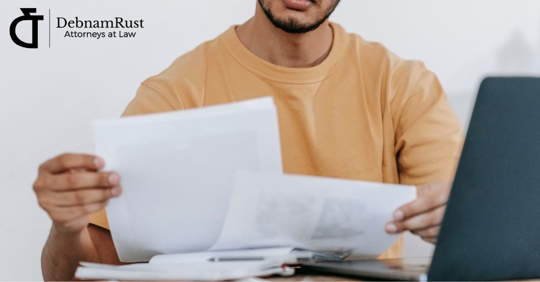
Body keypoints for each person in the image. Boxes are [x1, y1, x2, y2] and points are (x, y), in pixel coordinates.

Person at [33, 0, 463, 280]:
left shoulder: (403, 86)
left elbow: (472, 236)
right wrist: (65, 227)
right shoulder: (177, 93)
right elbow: (79, 274)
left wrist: (457, 220)